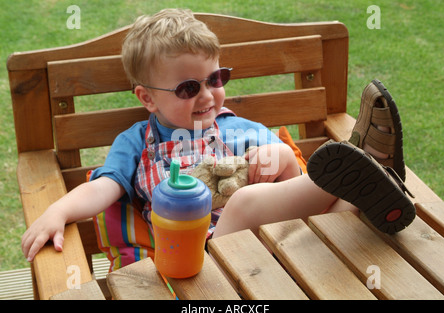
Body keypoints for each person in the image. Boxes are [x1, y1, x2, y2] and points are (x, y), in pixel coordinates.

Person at [21, 9, 415, 266]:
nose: (208, 96)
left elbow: (288, 174)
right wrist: (58, 211)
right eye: (188, 87)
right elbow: (102, 187)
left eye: (216, 79)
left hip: (278, 248)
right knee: (243, 201)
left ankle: (373, 189)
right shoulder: (136, 143)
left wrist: (274, 158)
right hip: (204, 261)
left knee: (335, 206)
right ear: (147, 98)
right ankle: (365, 164)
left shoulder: (234, 129)